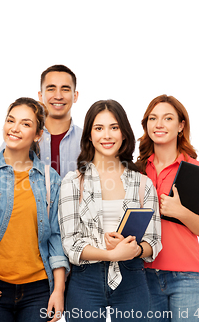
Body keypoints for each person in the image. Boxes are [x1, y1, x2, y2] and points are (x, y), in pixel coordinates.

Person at [58, 100, 162, 321]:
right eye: (99, 128)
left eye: (114, 127)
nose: (107, 135)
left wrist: (133, 250)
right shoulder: (73, 182)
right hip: (86, 279)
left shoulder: (142, 183)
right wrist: (110, 254)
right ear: (89, 135)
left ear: (124, 133)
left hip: (132, 277)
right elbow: (70, 243)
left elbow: (153, 241)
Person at [0, 97, 69, 322]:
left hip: (38, 291)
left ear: (38, 134)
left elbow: (56, 238)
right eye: (10, 121)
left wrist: (58, 290)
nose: (14, 129)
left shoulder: (50, 180)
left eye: (25, 124)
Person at [136, 94, 199, 322]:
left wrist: (181, 212)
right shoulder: (135, 171)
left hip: (187, 278)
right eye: (153, 118)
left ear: (181, 125)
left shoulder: (196, 171)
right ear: (146, 125)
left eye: (167, 118)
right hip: (143, 276)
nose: (159, 124)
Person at [0, 65, 81, 178]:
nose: (58, 96)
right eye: (51, 89)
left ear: (75, 96)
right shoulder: (18, 137)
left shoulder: (87, 140)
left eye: (65, 89)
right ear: (40, 96)